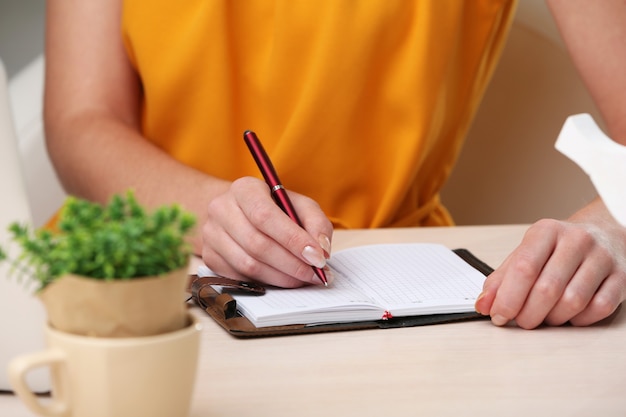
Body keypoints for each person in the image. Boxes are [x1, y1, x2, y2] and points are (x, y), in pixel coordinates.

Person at [44, 0, 626, 329]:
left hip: (388, 307)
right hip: (128, 274)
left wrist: (611, 222)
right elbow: (80, 121)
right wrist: (207, 212)